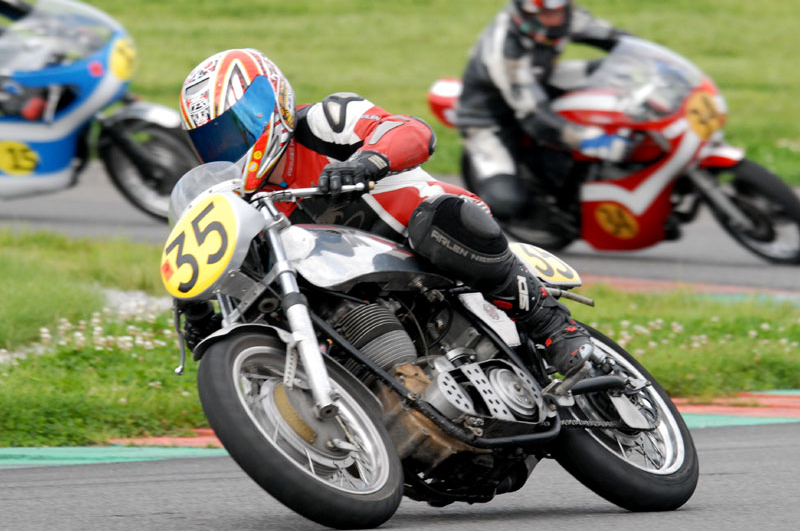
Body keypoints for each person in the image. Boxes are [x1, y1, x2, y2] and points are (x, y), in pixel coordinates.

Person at [177, 48, 591, 378]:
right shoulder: (245, 200)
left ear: (269, 100)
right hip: (367, 286)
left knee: (437, 223)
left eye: (236, 128)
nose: (230, 145)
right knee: (277, 307)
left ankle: (553, 326)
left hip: (428, 231)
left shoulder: (323, 120)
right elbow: (211, 252)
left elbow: (412, 130)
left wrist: (366, 161)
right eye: (215, 140)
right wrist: (194, 307)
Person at [456, 0, 633, 220]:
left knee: (612, 71)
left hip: (538, 81)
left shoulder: (568, 18)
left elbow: (620, 41)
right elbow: (534, 115)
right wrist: (589, 139)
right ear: (525, 13)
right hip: (491, 120)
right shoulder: (504, 49)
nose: (554, 20)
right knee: (507, 202)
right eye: (546, 15)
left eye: (559, 12)